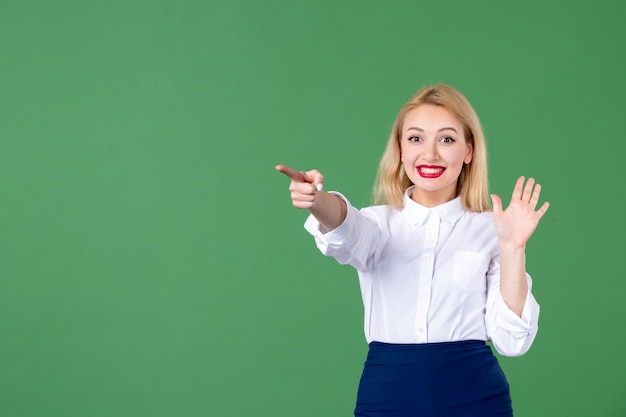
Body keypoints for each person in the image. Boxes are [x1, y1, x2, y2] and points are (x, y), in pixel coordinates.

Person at [276, 84, 549, 417]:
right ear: (401, 150)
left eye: (446, 139)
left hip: (476, 396)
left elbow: (512, 342)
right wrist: (316, 200)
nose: (430, 154)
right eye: (416, 138)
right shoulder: (378, 225)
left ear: (468, 151)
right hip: (387, 394)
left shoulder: (492, 229)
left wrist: (513, 247)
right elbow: (345, 227)